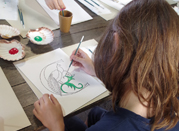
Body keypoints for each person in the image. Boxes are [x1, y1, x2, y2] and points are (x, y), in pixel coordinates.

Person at [33, 0, 179, 130]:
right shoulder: (167, 91)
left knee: (66, 119)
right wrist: (97, 71)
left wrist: (56, 126)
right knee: (94, 113)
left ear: (116, 42)